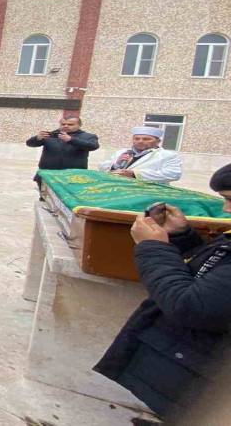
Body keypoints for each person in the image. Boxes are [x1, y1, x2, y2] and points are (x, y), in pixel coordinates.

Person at [94, 164, 231, 419]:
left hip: (205, 379)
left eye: (230, 199)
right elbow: (211, 271)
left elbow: (189, 305)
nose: (226, 209)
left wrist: (152, 247)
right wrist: (181, 236)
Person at [26, 117, 100, 183]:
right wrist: (37, 138)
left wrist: (71, 140)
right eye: (63, 124)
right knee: (45, 194)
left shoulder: (88, 136)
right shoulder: (50, 135)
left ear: (79, 125)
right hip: (48, 174)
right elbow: (30, 144)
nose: (66, 126)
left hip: (73, 176)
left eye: (70, 124)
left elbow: (93, 146)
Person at [98, 126, 183, 184]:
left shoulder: (168, 155)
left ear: (158, 141)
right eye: (137, 138)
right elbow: (102, 168)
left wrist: (134, 174)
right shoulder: (122, 152)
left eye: (146, 139)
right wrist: (116, 164)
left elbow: (173, 174)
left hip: (148, 193)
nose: (140, 141)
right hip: (119, 188)